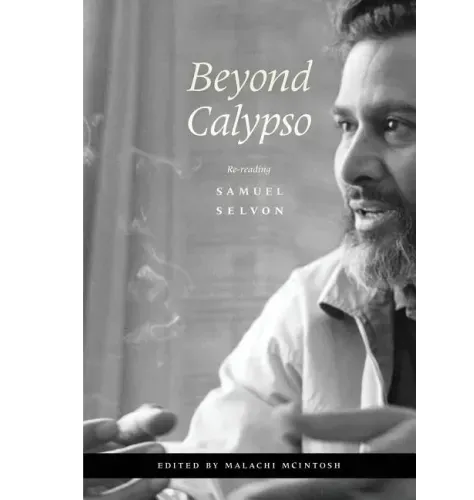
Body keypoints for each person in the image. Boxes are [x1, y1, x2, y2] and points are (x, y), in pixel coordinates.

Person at [82, 0, 416, 498]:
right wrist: (130, 488)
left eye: (396, 125)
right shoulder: (315, 304)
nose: (350, 167)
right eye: (346, 126)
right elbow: (214, 480)